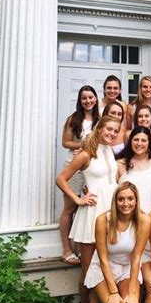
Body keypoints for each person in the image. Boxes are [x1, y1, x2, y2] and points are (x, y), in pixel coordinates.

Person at [56, 116, 121, 303]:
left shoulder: (109, 151)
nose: (112, 133)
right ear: (99, 128)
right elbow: (61, 179)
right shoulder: (86, 153)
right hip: (92, 213)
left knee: (104, 264)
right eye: (109, 129)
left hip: (111, 212)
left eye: (116, 131)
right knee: (87, 268)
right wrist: (78, 199)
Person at [84, 182, 151, 303]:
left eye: (130, 199)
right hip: (103, 267)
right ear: (115, 201)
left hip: (128, 268)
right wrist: (113, 292)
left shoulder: (144, 220)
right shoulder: (103, 220)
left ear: (136, 201)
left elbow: (136, 257)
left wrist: (132, 292)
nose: (125, 203)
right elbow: (103, 258)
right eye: (121, 199)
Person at [59, 85, 100, 265]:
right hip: (74, 166)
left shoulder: (100, 119)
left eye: (91, 97)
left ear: (96, 99)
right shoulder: (73, 119)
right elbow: (65, 142)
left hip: (92, 167)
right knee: (70, 208)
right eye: (84, 98)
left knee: (87, 207)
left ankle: (81, 249)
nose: (88, 101)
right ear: (80, 100)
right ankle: (67, 250)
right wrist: (81, 145)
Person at [118, 126, 151, 213]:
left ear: (149, 143)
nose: (139, 143)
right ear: (130, 141)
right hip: (127, 213)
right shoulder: (120, 164)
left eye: (143, 140)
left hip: (150, 212)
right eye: (136, 139)